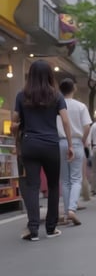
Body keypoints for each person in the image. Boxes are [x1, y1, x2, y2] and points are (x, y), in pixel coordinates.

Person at [11, 60, 74, 241]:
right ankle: (51, 228)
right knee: (54, 186)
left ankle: (33, 230)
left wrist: (16, 132)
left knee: (32, 186)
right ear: (49, 75)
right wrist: (70, 145)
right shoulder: (56, 96)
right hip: (50, 145)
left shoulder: (22, 95)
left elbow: (14, 124)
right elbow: (66, 121)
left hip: (29, 144)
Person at [57, 78, 92, 225]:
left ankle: (66, 214)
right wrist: (83, 140)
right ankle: (72, 209)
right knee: (76, 178)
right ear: (74, 89)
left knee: (65, 180)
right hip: (76, 142)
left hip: (61, 142)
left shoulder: (56, 106)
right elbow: (87, 126)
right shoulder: (80, 106)